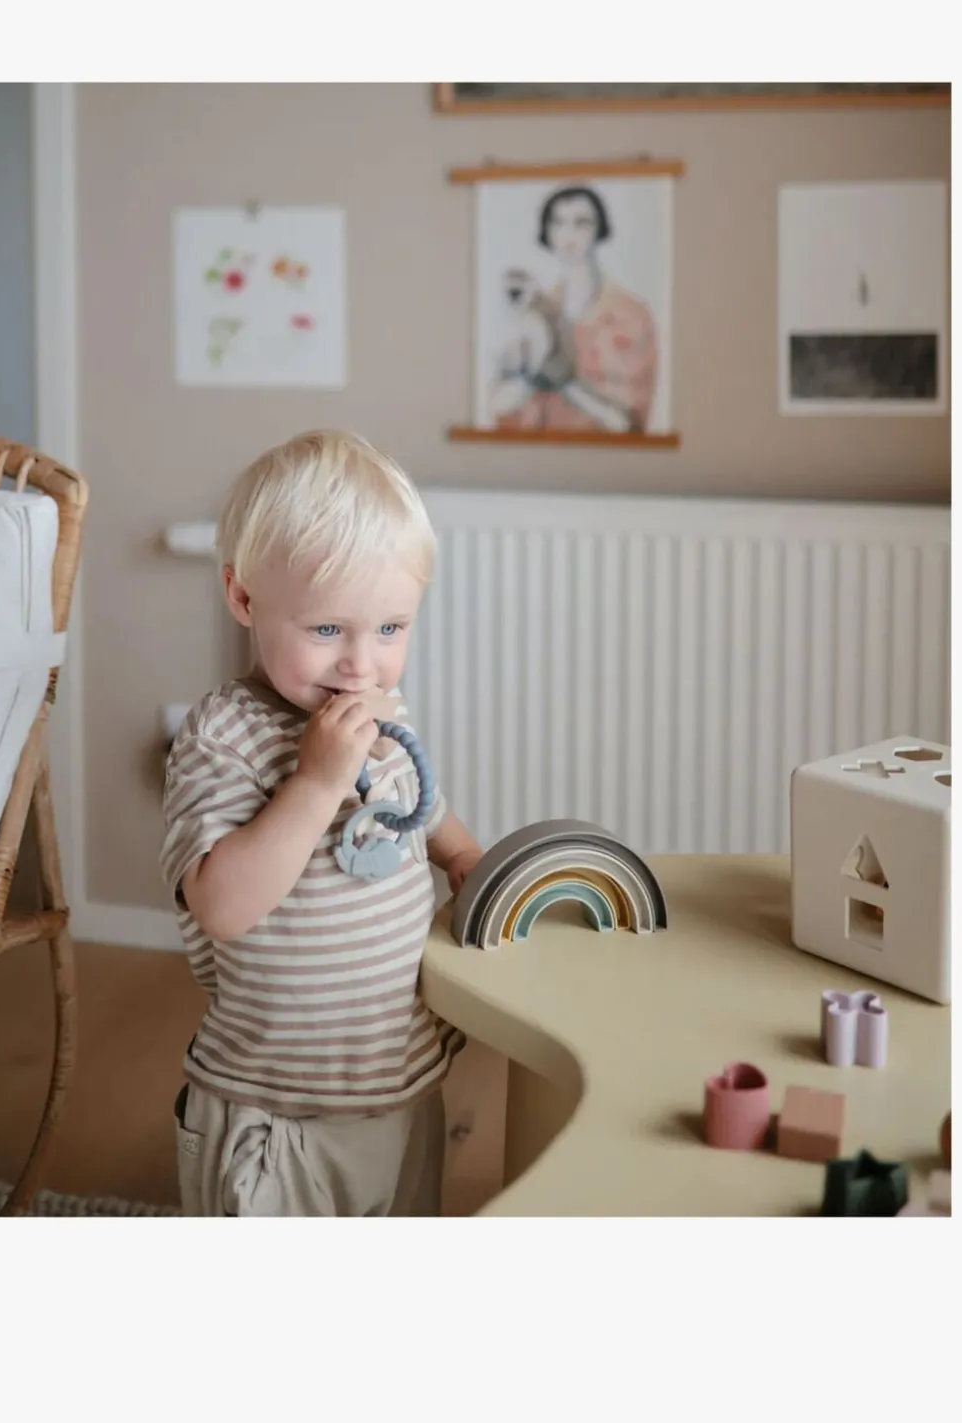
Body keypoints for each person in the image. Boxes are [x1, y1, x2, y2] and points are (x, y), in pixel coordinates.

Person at [160, 430, 484, 1216]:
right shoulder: (224, 738)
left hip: (400, 1084)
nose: (360, 664)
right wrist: (314, 782)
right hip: (275, 1109)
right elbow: (221, 906)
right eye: (328, 630)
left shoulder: (382, 716)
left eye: (390, 629)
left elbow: (421, 807)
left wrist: (464, 855)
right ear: (244, 598)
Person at [495, 185, 659, 432]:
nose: (568, 234)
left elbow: (629, 424)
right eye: (557, 223)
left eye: (581, 223)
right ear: (547, 232)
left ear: (599, 229)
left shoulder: (631, 315)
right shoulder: (533, 311)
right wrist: (531, 376)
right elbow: (500, 408)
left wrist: (565, 382)